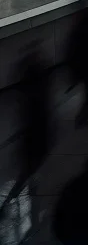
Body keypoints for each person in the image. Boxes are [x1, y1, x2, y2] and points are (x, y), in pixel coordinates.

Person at [0, 45, 53, 219]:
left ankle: (17, 196)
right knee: (28, 169)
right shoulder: (39, 99)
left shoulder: (30, 97)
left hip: (31, 138)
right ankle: (8, 201)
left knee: (28, 167)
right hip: (36, 138)